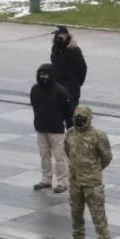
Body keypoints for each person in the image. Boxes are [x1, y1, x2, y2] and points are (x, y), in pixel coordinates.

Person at [63, 105, 113, 239]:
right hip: (75, 180)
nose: (79, 121)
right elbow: (67, 150)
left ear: (89, 118)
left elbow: (107, 157)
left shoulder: (98, 136)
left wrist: (94, 170)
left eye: (82, 118)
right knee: (76, 212)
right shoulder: (70, 133)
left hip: (92, 183)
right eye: (76, 118)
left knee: (98, 215)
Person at [30, 63, 74, 194]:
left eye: (45, 74)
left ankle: (63, 182)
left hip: (56, 130)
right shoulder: (35, 89)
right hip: (41, 128)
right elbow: (34, 105)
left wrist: (70, 129)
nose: (43, 77)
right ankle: (46, 179)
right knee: (44, 155)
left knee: (60, 156)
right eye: (41, 74)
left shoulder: (60, 91)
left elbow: (68, 112)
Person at [50, 26, 88, 108]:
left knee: (70, 115)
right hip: (57, 89)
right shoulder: (55, 48)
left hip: (71, 90)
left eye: (59, 35)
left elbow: (83, 68)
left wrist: (77, 83)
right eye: (56, 35)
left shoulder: (74, 50)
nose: (57, 37)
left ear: (66, 35)